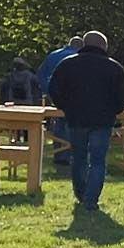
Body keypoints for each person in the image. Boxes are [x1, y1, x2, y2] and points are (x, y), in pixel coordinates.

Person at [45, 30, 124, 214]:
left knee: (78, 158)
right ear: (103, 46)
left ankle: (81, 193)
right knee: (98, 160)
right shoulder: (113, 67)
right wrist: (114, 110)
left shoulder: (67, 64)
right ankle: (91, 200)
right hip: (102, 120)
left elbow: (53, 89)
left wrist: (65, 107)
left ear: (85, 44)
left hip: (76, 118)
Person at [38, 35, 80, 163]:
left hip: (53, 94)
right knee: (71, 123)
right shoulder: (77, 57)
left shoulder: (53, 55)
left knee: (59, 122)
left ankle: (59, 154)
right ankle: (68, 155)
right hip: (72, 95)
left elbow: (40, 73)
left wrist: (47, 91)